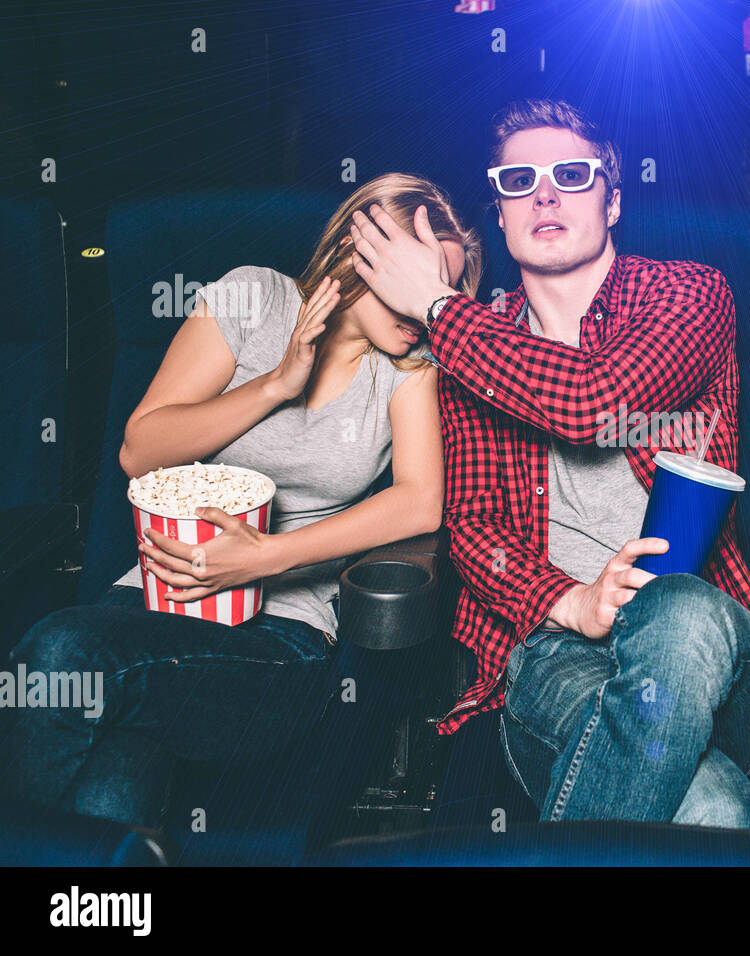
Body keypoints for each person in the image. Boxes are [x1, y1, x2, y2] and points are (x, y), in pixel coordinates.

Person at [348, 98, 750, 828]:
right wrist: (571, 603)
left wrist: (437, 305)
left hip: (710, 646)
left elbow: (596, 402)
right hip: (554, 652)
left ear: (614, 200)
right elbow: (473, 524)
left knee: (678, 612)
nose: (546, 193)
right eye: (520, 180)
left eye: (572, 173)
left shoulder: (690, 294)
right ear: (499, 211)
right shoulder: (473, 339)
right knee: (713, 807)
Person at [1, 173, 480, 828]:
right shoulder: (253, 296)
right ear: (358, 251)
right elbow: (140, 451)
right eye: (411, 275)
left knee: (58, 653)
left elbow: (421, 503)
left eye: (441, 290)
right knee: (111, 784)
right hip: (152, 598)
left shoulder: (410, 366)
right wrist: (277, 384)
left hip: (282, 637)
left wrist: (265, 559)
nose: (422, 306)